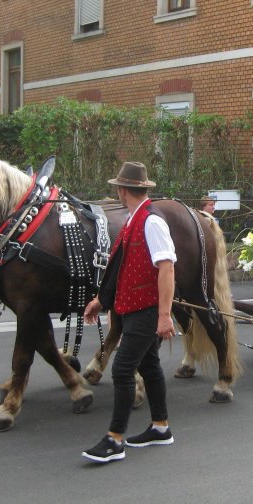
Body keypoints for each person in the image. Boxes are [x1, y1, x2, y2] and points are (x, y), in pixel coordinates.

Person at [81, 161, 177, 464]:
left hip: (146, 310)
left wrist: (164, 315)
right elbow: (120, 265)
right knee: (149, 365)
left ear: (122, 190)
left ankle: (114, 440)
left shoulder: (151, 221)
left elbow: (166, 268)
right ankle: (161, 427)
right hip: (133, 308)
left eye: (117, 189)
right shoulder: (135, 219)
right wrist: (101, 300)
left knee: (123, 369)